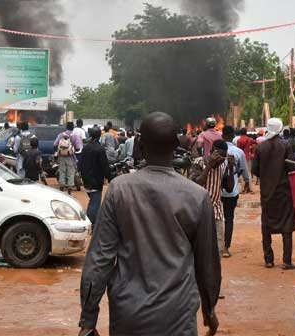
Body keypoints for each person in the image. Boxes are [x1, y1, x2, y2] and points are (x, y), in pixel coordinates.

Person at [78, 112, 221, 336]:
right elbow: (207, 264)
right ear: (176, 146)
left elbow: (99, 259)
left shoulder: (119, 189)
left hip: (129, 315)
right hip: (179, 316)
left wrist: (88, 319)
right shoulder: (197, 196)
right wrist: (209, 309)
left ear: (141, 146)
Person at [252, 118, 295, 270]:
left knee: (266, 226)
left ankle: (269, 260)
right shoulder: (286, 145)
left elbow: (254, 170)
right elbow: (292, 168)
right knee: (287, 227)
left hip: (266, 192)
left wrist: (265, 177)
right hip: (284, 192)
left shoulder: (260, 147)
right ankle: (287, 261)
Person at [190, 139, 235, 257]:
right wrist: (209, 166)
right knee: (199, 249)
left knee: (217, 250)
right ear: (213, 152)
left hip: (216, 211)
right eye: (219, 157)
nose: (221, 161)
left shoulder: (224, 165)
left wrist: (230, 168)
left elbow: (229, 188)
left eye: (223, 158)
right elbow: (196, 183)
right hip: (199, 211)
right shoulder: (199, 162)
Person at [220, 125, 252, 257]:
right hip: (231, 191)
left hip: (215, 190)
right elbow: (244, 170)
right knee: (229, 218)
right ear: (233, 136)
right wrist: (247, 183)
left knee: (214, 218)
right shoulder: (238, 152)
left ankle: (213, 245)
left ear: (222, 136)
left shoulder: (216, 150)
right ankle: (226, 247)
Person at [77, 126, 112, 223]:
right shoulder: (100, 149)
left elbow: (79, 164)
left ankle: (90, 221)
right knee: (95, 204)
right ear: (99, 135)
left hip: (86, 179)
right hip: (96, 180)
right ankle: (91, 224)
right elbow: (104, 165)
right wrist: (109, 177)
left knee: (92, 201)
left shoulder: (86, 147)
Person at [54, 122, 83, 194]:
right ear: (73, 128)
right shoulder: (75, 136)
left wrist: (60, 150)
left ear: (66, 127)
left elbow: (54, 145)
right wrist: (71, 149)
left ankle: (61, 186)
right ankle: (69, 189)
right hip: (71, 157)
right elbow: (78, 148)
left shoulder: (61, 135)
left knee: (62, 171)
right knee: (70, 172)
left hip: (61, 157)